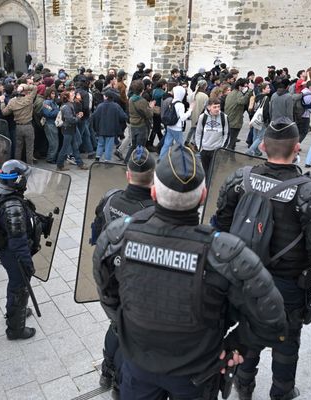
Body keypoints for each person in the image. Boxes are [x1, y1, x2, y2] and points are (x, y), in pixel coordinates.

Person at [93, 144, 287, 400]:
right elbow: (273, 319)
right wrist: (235, 344)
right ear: (204, 195)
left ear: (153, 192)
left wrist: (125, 328)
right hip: (197, 374)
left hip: (140, 365)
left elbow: (106, 292)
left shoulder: (116, 237)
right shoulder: (227, 253)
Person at [214, 118, 311, 400]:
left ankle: (244, 386)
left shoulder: (239, 180)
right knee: (286, 344)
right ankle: (282, 391)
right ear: (297, 148)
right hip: (286, 289)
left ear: (262, 146)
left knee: (247, 335)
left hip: (243, 281)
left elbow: (220, 230)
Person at [90, 147, 155, 398]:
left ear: (128, 174)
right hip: (137, 284)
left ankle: (106, 370)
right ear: (153, 177)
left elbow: (95, 236)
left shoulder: (110, 198)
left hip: (110, 277)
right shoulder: (154, 211)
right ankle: (119, 382)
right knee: (131, 335)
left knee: (115, 325)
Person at [0, 160, 39, 339]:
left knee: (15, 284)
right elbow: (18, 242)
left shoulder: (5, 196)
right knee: (19, 287)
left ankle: (14, 311)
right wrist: (28, 265)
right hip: (14, 255)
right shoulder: (13, 207)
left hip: (7, 251)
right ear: (17, 181)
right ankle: (16, 329)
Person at [0, 83, 37, 165]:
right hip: (28, 126)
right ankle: (30, 167)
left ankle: (17, 166)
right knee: (29, 149)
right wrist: (24, 87)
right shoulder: (29, 99)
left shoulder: (12, 101)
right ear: (25, 91)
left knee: (18, 148)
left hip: (18, 127)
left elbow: (4, 112)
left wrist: (2, 102)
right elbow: (35, 88)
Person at [194, 97, 229, 180]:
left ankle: (210, 187)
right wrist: (200, 148)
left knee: (213, 172)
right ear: (209, 107)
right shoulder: (202, 117)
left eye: (218, 107)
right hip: (204, 150)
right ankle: (207, 188)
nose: (217, 109)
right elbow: (198, 133)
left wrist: (222, 148)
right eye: (215, 107)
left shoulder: (224, 117)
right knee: (206, 172)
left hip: (216, 150)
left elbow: (227, 134)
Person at [91, 87, 127, 162]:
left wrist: (96, 127)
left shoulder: (100, 106)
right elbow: (123, 116)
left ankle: (97, 157)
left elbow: (94, 116)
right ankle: (107, 160)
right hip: (112, 130)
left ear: (106, 97)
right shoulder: (116, 106)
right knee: (109, 145)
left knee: (100, 143)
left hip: (101, 129)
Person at [56, 90, 88, 170]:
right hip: (68, 129)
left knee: (74, 147)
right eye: (71, 94)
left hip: (69, 129)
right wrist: (78, 117)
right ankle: (60, 165)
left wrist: (76, 116)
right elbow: (70, 119)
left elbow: (70, 117)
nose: (73, 95)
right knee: (65, 148)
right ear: (67, 97)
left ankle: (80, 163)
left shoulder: (67, 105)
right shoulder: (67, 107)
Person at [159, 85, 193, 159]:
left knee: (167, 144)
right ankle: (181, 160)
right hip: (177, 128)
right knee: (180, 145)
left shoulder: (172, 101)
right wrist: (190, 110)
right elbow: (183, 117)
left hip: (169, 126)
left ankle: (161, 158)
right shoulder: (180, 105)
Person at [224, 78, 253, 150]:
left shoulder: (231, 93)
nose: (246, 88)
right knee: (232, 141)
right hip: (235, 121)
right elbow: (243, 101)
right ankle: (228, 155)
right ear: (240, 86)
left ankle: (230, 152)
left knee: (230, 140)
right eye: (245, 86)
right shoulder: (238, 93)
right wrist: (249, 91)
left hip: (229, 119)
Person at [246, 81, 272, 157]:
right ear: (263, 89)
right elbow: (265, 110)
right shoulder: (266, 98)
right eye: (267, 88)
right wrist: (266, 120)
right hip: (262, 119)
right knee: (260, 137)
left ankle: (256, 151)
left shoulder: (257, 97)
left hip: (255, 118)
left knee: (255, 135)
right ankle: (250, 150)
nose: (269, 89)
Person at [187, 80, 209, 144]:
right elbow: (206, 107)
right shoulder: (205, 96)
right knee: (198, 130)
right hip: (201, 115)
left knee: (193, 127)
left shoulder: (193, 94)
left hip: (193, 114)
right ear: (204, 86)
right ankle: (194, 142)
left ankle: (187, 140)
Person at [42, 87, 60, 163]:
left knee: (54, 142)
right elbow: (48, 114)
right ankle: (50, 158)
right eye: (52, 93)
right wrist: (57, 110)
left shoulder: (52, 102)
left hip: (53, 124)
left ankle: (51, 157)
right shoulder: (47, 102)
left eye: (54, 93)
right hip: (50, 124)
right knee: (54, 142)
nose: (54, 94)